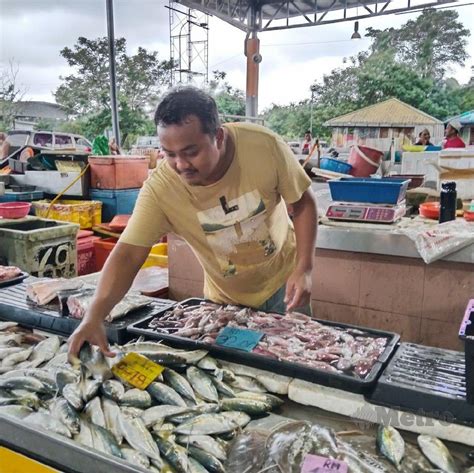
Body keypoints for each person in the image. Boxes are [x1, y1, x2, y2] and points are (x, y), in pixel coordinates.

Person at [68, 86, 318, 357]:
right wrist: (94, 316)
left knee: (298, 362)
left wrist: (304, 268)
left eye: (191, 151)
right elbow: (127, 254)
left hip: (284, 284)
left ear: (218, 137)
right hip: (225, 302)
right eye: (169, 153)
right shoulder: (161, 189)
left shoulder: (264, 146)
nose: (181, 164)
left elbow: (302, 203)